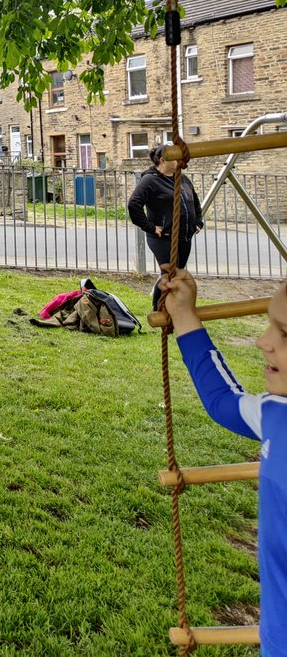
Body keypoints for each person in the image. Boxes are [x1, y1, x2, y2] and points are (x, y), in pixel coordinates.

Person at [160, 269, 287, 653]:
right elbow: (223, 401)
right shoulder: (275, 414)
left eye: (285, 334)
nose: (262, 341)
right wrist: (184, 316)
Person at [127, 144, 204, 310]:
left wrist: (198, 221)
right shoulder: (150, 180)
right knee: (169, 275)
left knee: (178, 274)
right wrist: (150, 227)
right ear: (163, 160)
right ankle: (159, 308)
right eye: (175, 157)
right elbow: (134, 204)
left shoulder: (182, 178)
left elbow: (194, 200)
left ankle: (173, 308)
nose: (180, 160)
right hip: (163, 237)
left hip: (184, 236)